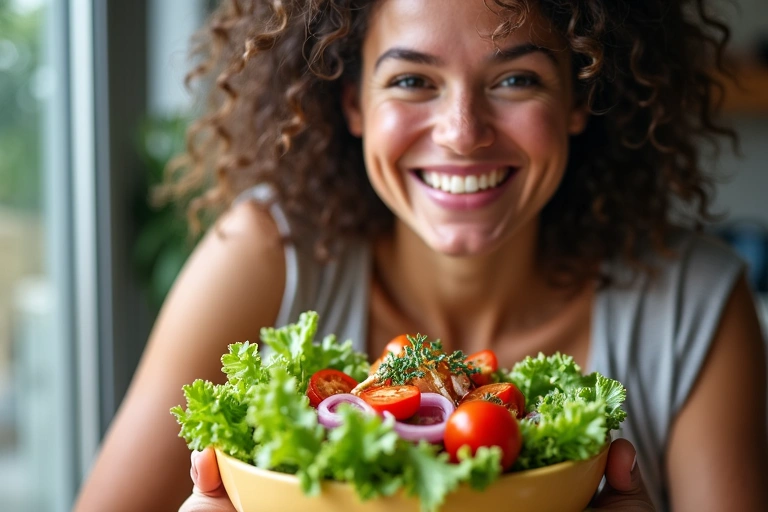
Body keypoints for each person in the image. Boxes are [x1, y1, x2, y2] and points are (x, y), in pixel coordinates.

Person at [74, 0, 768, 511]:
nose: (463, 134)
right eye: (411, 81)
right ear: (353, 104)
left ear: (579, 99)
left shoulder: (695, 304)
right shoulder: (261, 255)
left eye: (516, 79)